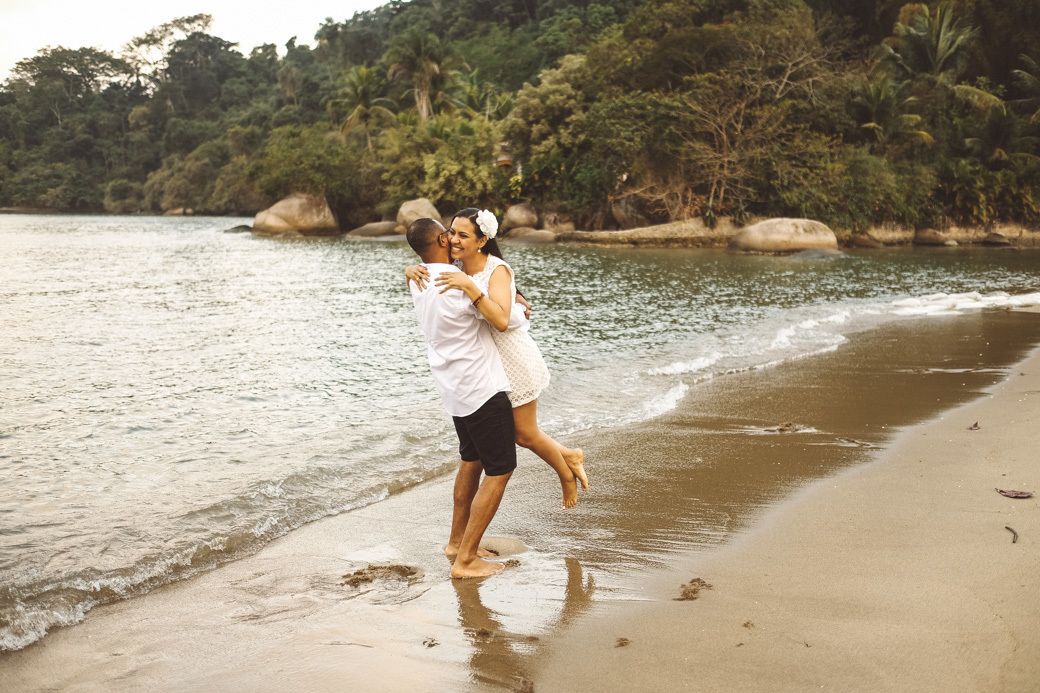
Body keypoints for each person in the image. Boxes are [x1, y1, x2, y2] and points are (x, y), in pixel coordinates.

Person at [407, 208, 588, 508]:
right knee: (520, 434)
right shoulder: (457, 267)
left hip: (512, 358)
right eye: (452, 232)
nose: (453, 239)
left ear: (482, 240)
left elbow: (503, 320)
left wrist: (474, 290)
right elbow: (432, 269)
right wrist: (410, 270)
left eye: (463, 235)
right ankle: (569, 456)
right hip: (487, 365)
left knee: (524, 434)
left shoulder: (495, 269)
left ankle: (565, 474)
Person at [406, 217, 515, 579]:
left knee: (471, 461)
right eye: (449, 233)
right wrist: (473, 287)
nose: (454, 238)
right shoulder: (455, 287)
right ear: (441, 238)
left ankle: (456, 542)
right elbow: (501, 320)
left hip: (453, 389)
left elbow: (426, 268)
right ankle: (466, 559)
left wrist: (412, 267)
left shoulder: (418, 278)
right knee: (500, 471)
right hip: (481, 388)